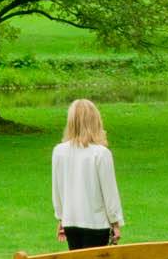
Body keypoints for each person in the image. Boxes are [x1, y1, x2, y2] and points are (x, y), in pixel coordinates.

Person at [51, 99, 124, 249]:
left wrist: (61, 217)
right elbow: (109, 193)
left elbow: (57, 189)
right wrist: (115, 222)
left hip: (71, 220)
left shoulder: (59, 151)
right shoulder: (101, 153)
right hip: (96, 223)